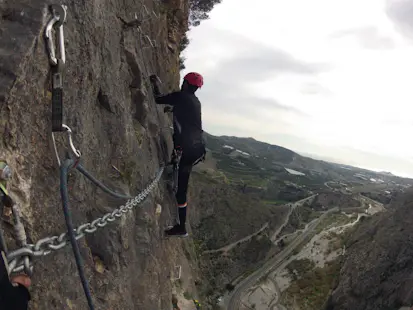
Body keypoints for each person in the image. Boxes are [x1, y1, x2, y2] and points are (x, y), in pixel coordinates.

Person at [149, 72, 206, 237]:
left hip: (188, 149)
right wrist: (172, 108)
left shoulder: (181, 96)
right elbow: (188, 115)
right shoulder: (195, 101)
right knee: (180, 164)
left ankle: (181, 227)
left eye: (184, 82)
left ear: (186, 84)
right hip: (197, 148)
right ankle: (174, 168)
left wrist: (155, 83)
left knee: (181, 191)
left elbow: (158, 98)